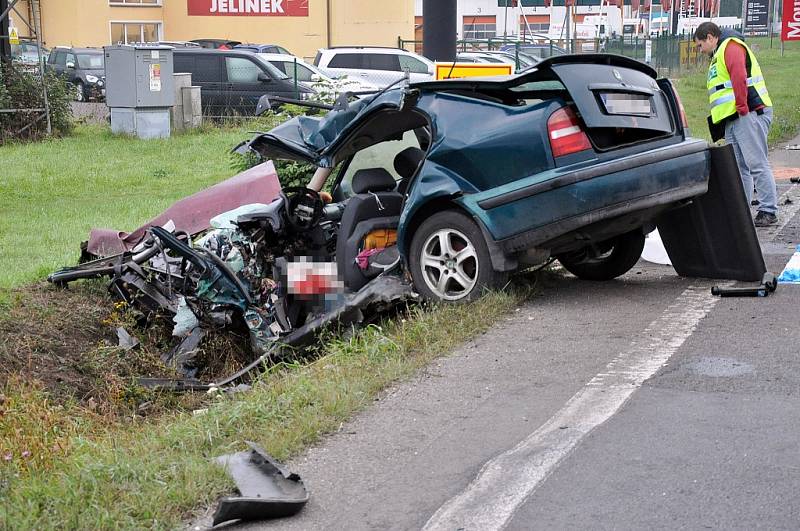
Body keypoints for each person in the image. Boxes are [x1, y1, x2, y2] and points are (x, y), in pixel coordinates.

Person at [694, 21, 778, 227]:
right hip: (734, 118)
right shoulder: (720, 52)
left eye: (699, 45)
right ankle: (742, 211)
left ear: (710, 37)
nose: (699, 50)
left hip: (747, 113)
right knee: (741, 167)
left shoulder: (730, 47)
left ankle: (768, 209)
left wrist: (742, 108)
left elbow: (739, 77)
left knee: (756, 162)